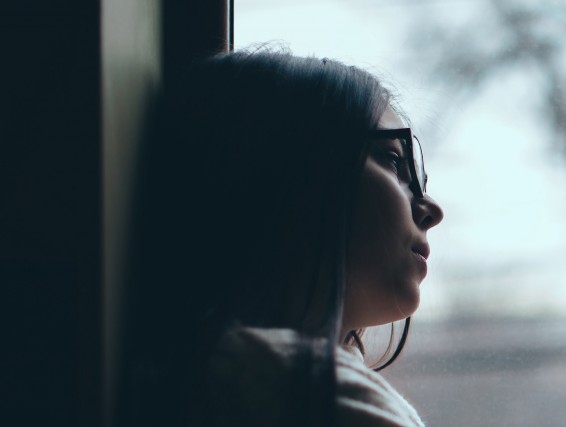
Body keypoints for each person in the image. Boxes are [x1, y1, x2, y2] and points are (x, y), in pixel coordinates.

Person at [116, 49, 443, 427]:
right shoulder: (307, 395)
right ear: (282, 180)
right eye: (392, 161)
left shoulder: (218, 375)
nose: (431, 209)